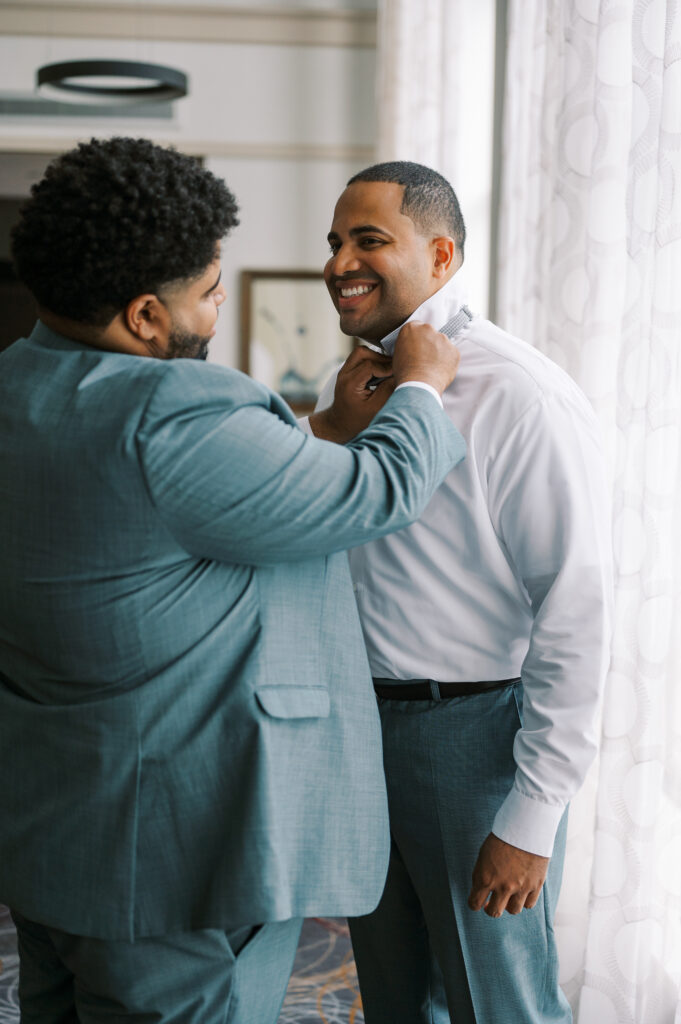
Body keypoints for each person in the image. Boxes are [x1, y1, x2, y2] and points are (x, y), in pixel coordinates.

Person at [0, 139, 466, 1024]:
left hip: (52, 830)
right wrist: (422, 391)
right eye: (211, 291)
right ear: (144, 316)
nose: (219, 306)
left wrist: (320, 427)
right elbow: (379, 491)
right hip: (171, 856)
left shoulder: (16, 383)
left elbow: (164, 507)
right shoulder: (170, 410)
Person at [304, 161, 613, 1023]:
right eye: (334, 242)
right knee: (396, 1000)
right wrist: (331, 428)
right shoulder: (357, 390)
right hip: (359, 737)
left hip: (472, 746)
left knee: (499, 1004)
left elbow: (576, 610)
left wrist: (532, 813)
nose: (339, 263)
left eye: (369, 241)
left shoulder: (520, 395)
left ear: (440, 256)